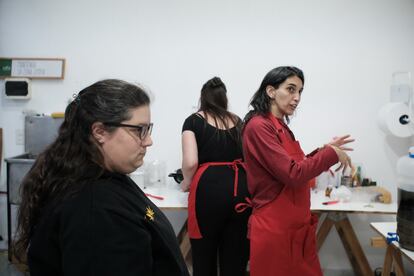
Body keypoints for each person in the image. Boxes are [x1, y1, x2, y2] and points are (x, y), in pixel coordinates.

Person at [13, 79, 189, 276]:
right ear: (99, 132)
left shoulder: (104, 177)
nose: (148, 140)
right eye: (139, 130)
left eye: (148, 129)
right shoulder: (95, 210)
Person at [242, 66, 354, 276]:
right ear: (271, 91)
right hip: (275, 227)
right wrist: (330, 154)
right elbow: (293, 174)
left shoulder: (281, 127)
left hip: (295, 226)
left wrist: (324, 150)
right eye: (291, 89)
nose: (297, 98)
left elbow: (298, 165)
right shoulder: (259, 126)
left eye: (300, 91)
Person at [181, 77, 251, 276]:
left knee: (204, 254)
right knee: (235, 256)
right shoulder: (238, 121)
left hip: (208, 190)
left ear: (203, 98)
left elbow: (191, 162)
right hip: (241, 189)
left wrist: (186, 182)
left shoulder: (193, 120)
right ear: (224, 98)